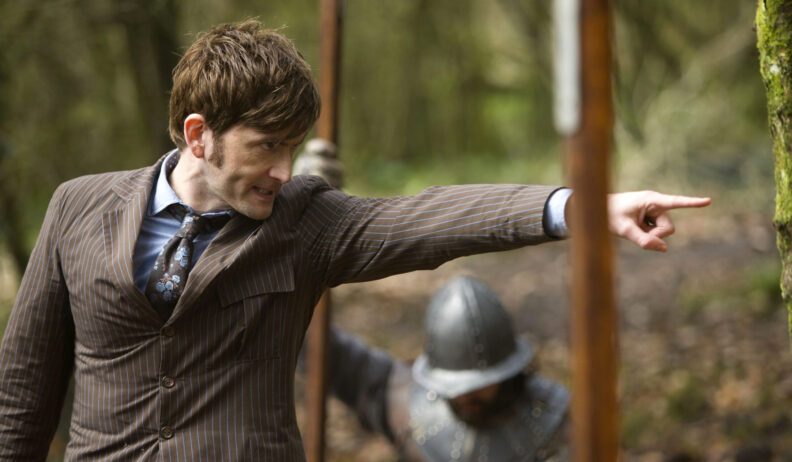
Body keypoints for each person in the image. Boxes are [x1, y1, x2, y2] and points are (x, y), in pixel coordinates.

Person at [0, 19, 709, 461]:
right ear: (198, 134)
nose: (285, 170)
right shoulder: (77, 209)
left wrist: (580, 206)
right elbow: (22, 396)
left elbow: (427, 219)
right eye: (268, 146)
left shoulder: (303, 221)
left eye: (294, 148)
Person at [327, 276, 570, 461]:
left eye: (476, 386)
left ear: (507, 372)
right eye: (452, 386)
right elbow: (336, 357)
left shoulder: (559, 426)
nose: (463, 396)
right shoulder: (405, 406)